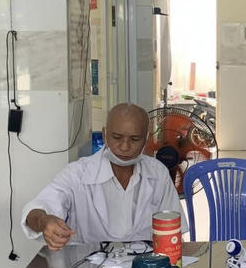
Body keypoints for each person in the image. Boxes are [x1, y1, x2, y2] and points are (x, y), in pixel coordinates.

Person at [22, 103, 187, 250]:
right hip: (89, 267)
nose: (125, 147)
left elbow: (173, 228)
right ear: (104, 134)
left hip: (145, 266)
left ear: (146, 140)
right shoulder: (77, 174)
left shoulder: (158, 173)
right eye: (117, 137)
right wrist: (45, 221)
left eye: (135, 139)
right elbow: (36, 209)